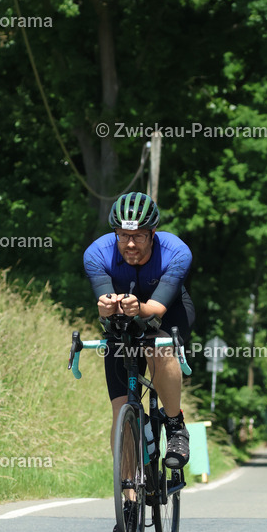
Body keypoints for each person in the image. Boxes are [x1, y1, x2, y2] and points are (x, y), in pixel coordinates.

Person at [83, 191, 195, 476]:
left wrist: (138, 307)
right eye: (123, 236)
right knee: (121, 408)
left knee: (158, 346)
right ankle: (129, 493)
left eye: (139, 236)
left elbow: (155, 311)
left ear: (153, 233)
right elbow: (106, 310)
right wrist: (106, 309)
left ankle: (175, 425)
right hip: (123, 319)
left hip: (169, 312)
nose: (130, 244)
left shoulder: (176, 251)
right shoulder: (96, 253)